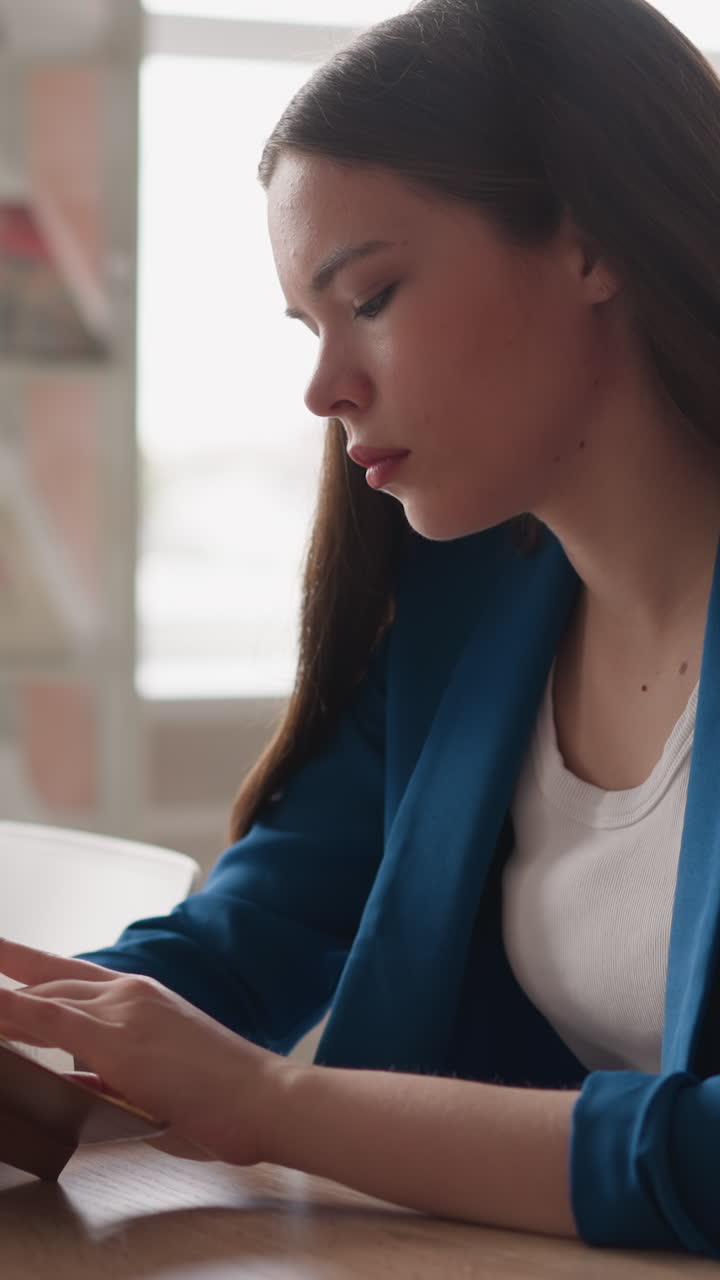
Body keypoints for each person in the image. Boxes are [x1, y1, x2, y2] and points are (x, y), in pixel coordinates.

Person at [1, 0, 720, 1256]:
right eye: (308, 325)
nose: (323, 387)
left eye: (371, 296)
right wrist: (37, 1035)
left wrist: (271, 1103)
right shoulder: (471, 607)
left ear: (591, 241)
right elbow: (251, 935)